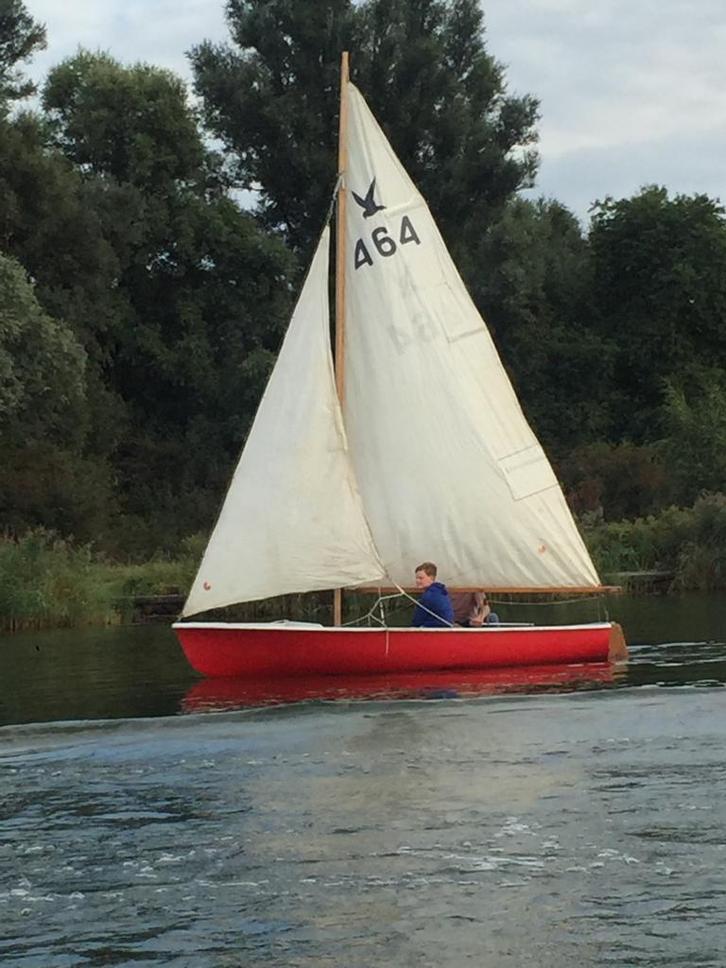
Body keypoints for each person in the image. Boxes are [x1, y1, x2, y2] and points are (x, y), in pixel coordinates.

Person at [411, 561, 454, 628]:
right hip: (445, 628)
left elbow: (417, 620)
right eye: (416, 578)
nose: (417, 581)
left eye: (421, 578)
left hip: (433, 629)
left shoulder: (429, 596)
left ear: (431, 578)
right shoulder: (440, 591)